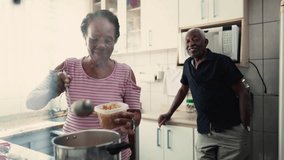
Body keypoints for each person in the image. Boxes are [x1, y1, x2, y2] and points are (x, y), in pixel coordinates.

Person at [26, 10, 141, 160]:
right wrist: (53, 90)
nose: (101, 46)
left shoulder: (125, 72)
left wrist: (130, 121)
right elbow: (31, 102)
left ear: (116, 40)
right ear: (84, 37)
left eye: (108, 40)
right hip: (75, 154)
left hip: (114, 154)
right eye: (94, 39)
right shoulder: (68, 67)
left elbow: (136, 114)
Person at [158, 28, 251, 160]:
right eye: (188, 41)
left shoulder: (222, 61)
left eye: (195, 39)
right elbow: (183, 90)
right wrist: (169, 113)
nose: (191, 44)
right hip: (204, 132)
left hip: (231, 131)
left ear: (206, 42)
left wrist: (244, 124)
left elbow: (242, 91)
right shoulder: (187, 65)